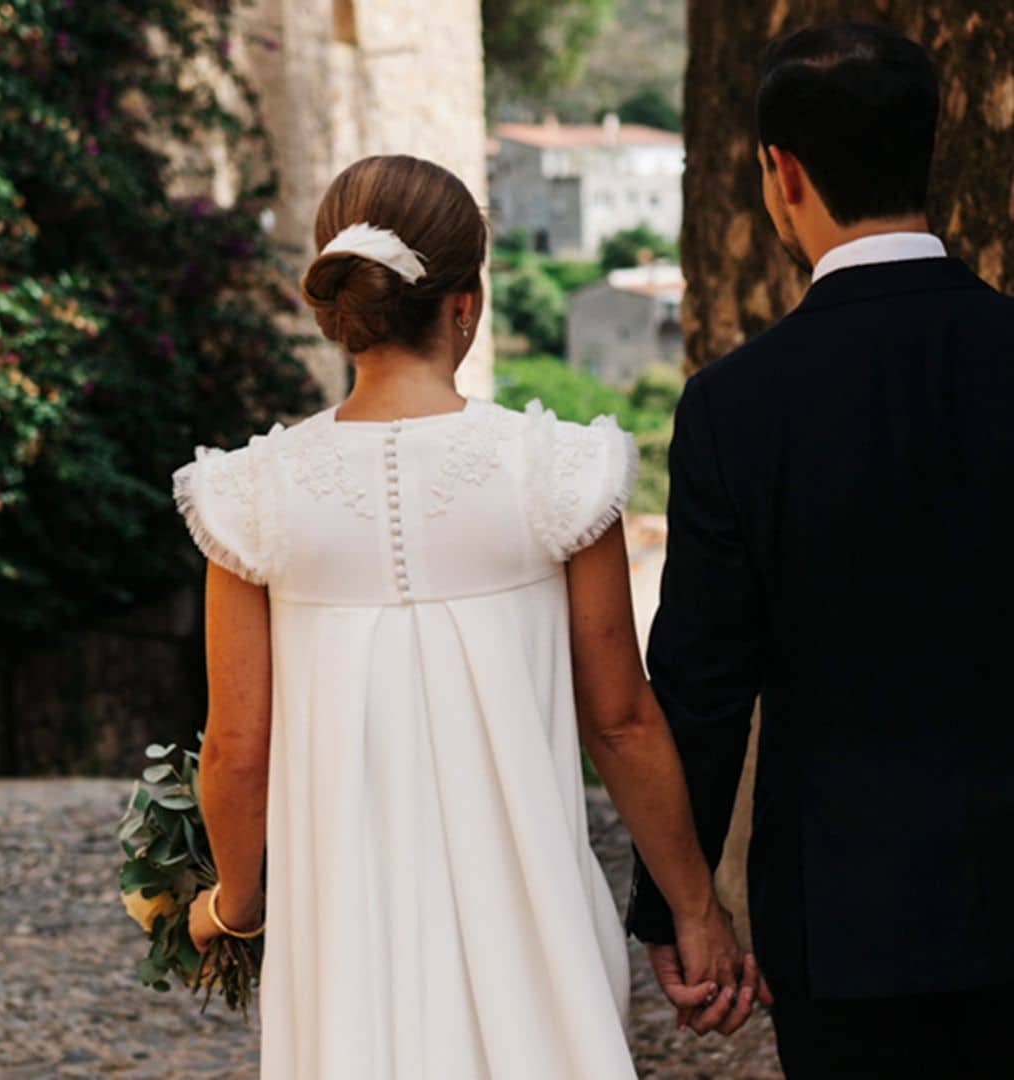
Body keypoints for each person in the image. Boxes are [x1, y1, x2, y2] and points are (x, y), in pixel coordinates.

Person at [173, 154, 747, 1079]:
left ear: (339, 306)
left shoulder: (251, 497)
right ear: (466, 305)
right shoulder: (555, 473)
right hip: (532, 935)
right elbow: (621, 721)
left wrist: (233, 903)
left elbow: (237, 750)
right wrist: (694, 908)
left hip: (344, 950)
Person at [625, 21, 1014, 1079]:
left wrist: (680, 905)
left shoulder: (735, 409)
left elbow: (698, 688)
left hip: (846, 927)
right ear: (929, 152)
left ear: (781, 174)